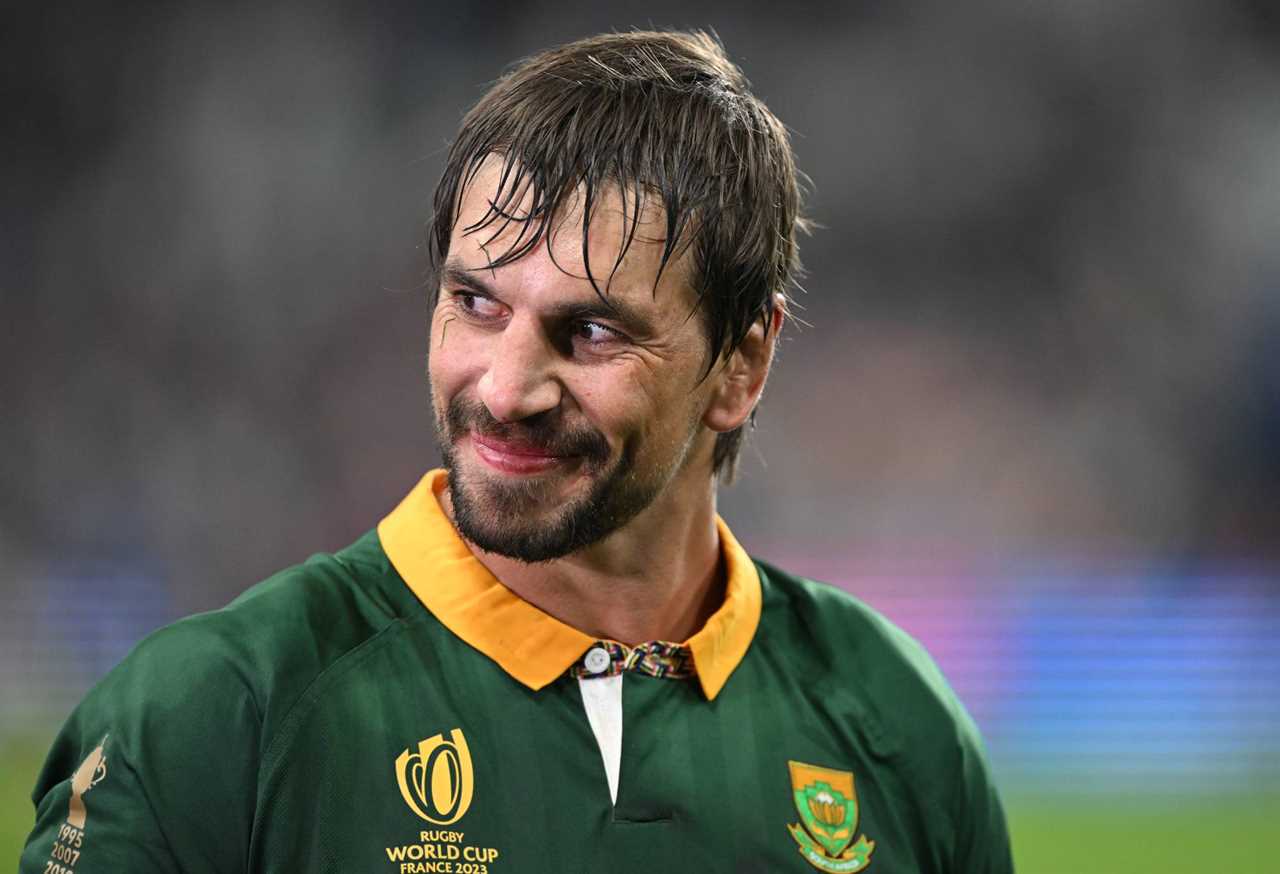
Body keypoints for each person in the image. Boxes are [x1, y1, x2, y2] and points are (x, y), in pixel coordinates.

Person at [21, 31, 1012, 873]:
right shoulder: (211, 717)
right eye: (475, 304)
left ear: (741, 363)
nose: (503, 386)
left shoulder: (897, 726)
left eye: (588, 333)